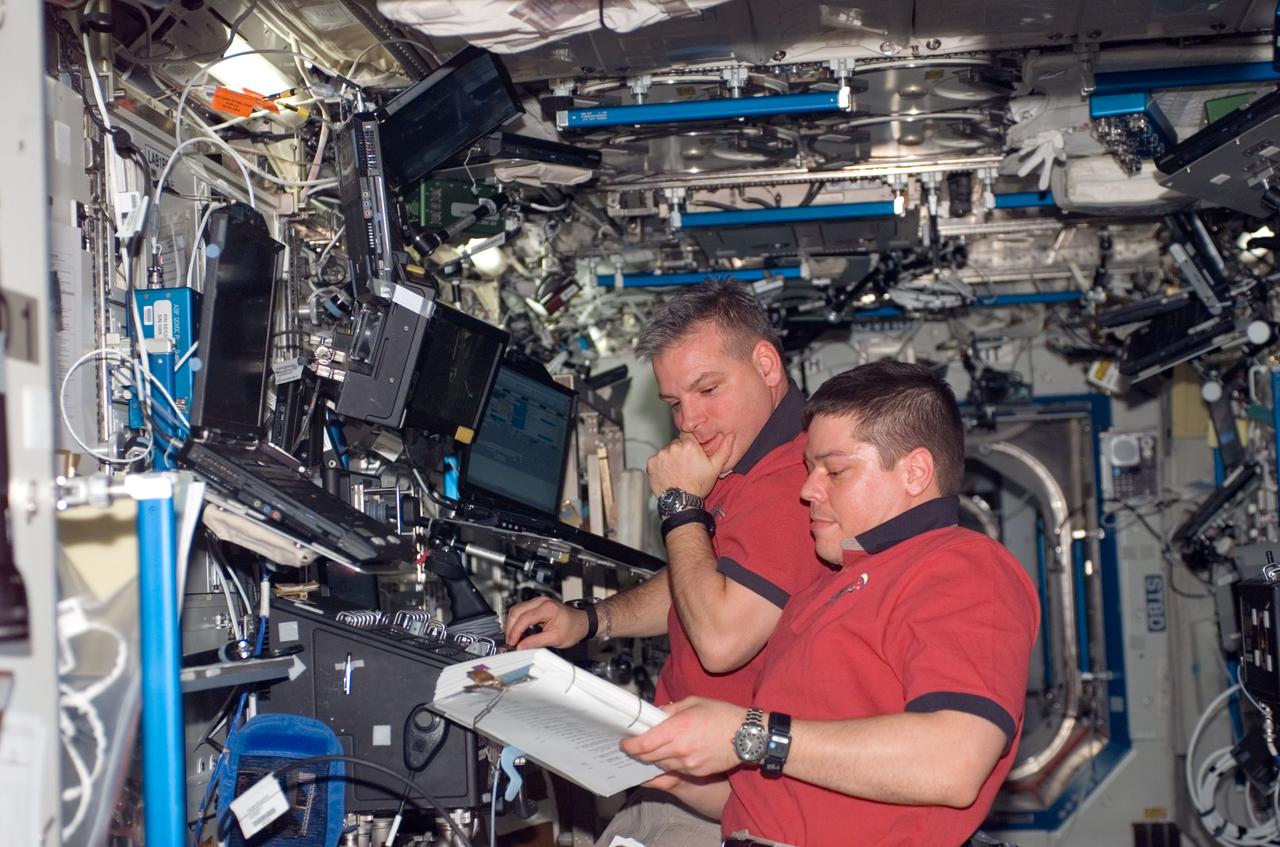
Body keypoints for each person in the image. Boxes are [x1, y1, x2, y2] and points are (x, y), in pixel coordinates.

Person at [619, 361, 1041, 847]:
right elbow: (784, 790)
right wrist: (685, 776)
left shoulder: (963, 568)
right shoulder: (828, 589)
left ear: (915, 472)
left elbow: (956, 760)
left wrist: (748, 732)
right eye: (808, 468)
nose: (807, 490)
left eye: (834, 471)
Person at [504, 281, 829, 846]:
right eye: (676, 403)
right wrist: (589, 618)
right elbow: (702, 582)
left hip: (726, 807)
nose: (691, 422)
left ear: (766, 363)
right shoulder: (741, 465)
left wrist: (679, 506)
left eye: (708, 389)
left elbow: (722, 639)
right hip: (677, 786)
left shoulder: (790, 483)